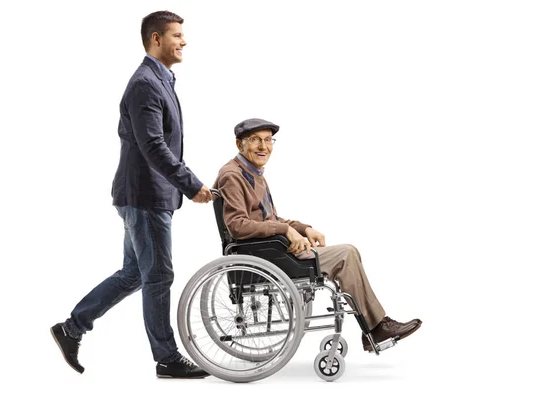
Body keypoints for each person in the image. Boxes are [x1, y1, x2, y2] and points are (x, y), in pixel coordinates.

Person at [51, 11, 211, 378]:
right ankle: (167, 358)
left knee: (135, 273)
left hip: (147, 195)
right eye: (177, 35)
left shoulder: (160, 80)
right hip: (144, 196)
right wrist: (191, 184)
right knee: (158, 276)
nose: (183, 42)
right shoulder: (145, 84)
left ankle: (71, 328)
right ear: (156, 39)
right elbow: (153, 146)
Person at [213, 118, 422, 351]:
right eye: (255, 140)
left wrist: (303, 228)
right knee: (346, 254)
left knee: (348, 253)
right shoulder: (232, 175)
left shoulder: (253, 172)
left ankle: (374, 327)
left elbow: (270, 219)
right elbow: (238, 226)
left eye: (268, 140)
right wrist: (285, 230)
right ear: (239, 144)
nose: (264, 146)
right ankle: (376, 327)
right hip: (263, 256)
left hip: (271, 250)